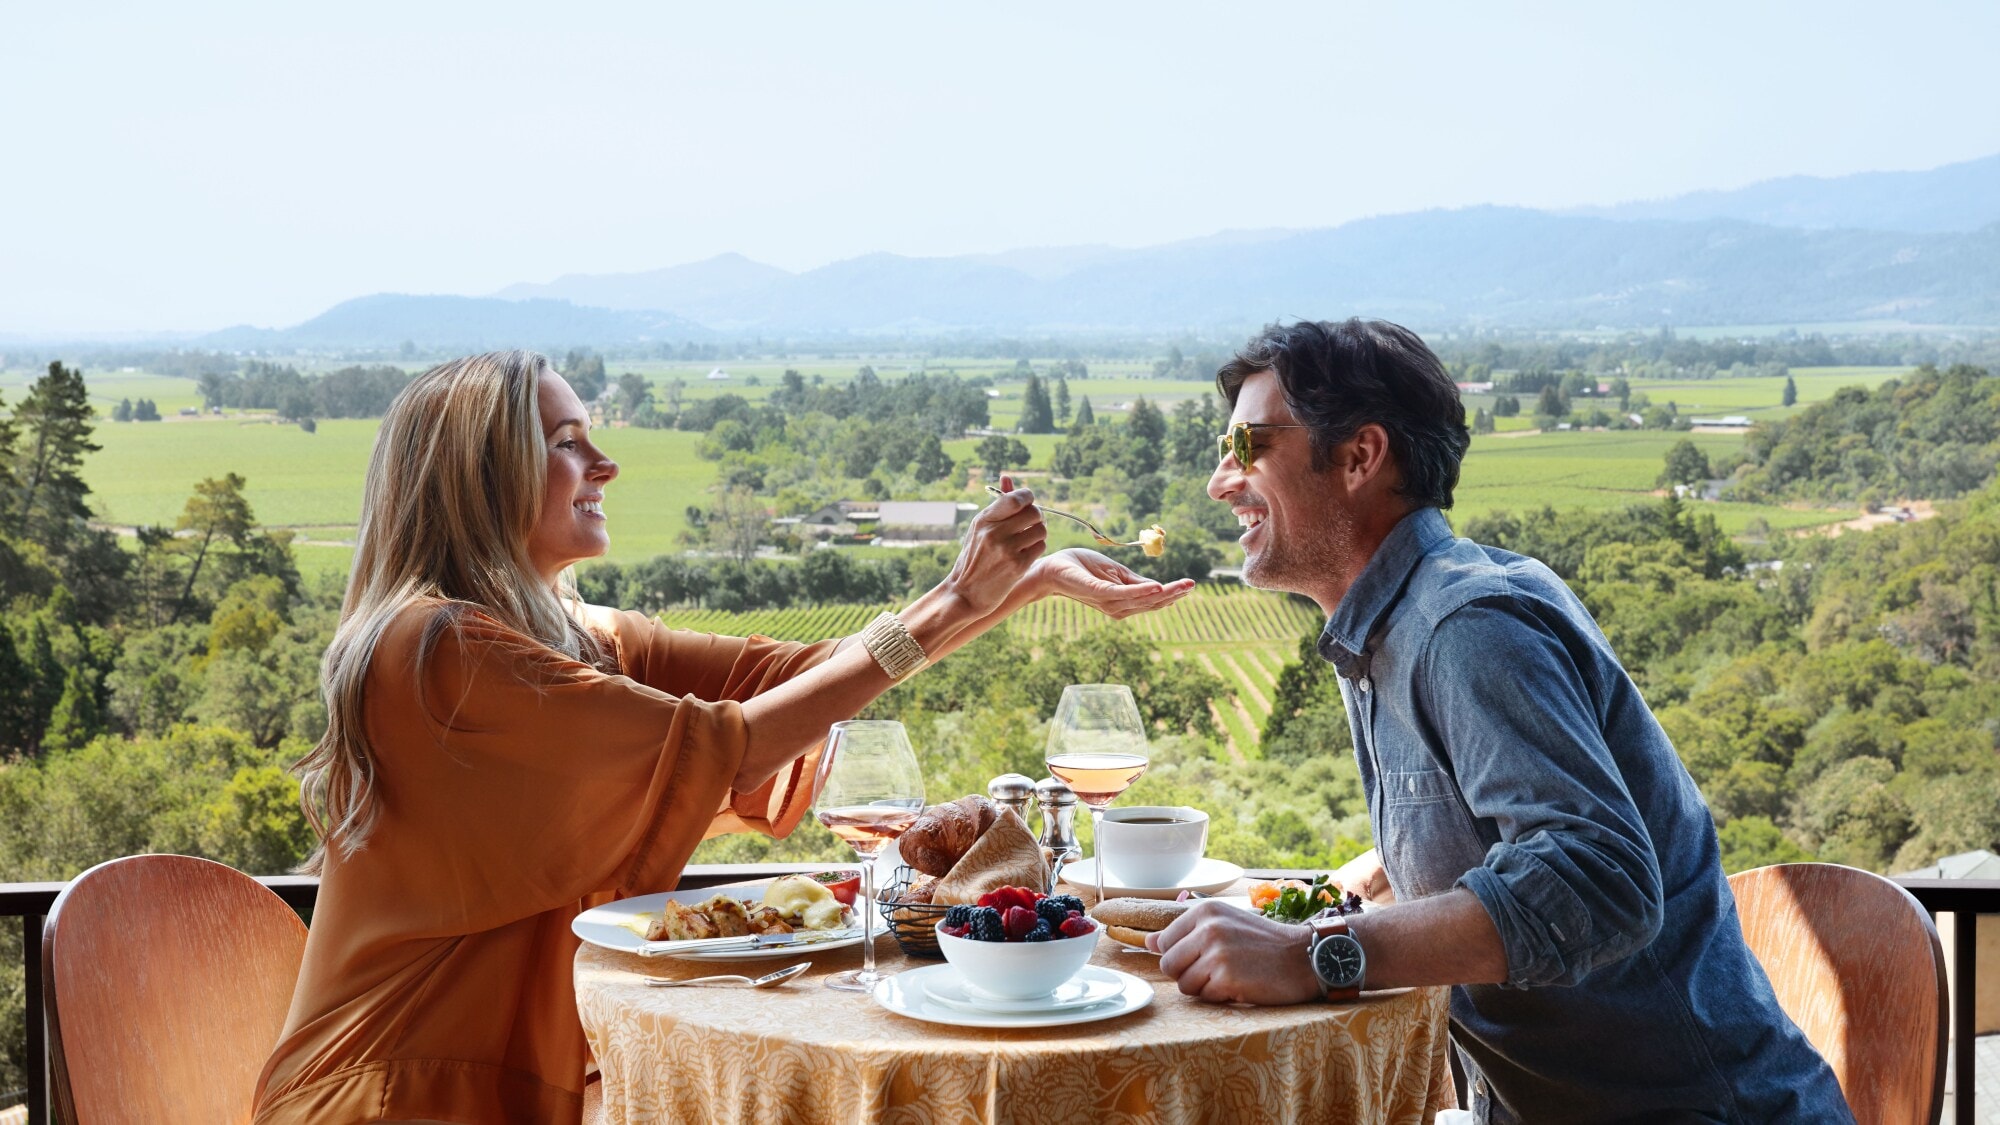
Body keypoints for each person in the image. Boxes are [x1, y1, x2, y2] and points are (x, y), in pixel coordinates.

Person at [252, 351, 1192, 1124]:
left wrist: (1018, 585)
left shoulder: (579, 639)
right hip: (397, 1098)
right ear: (478, 472)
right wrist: (956, 597)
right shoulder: (432, 651)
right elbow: (729, 745)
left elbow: (804, 680)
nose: (606, 465)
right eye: (569, 444)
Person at [1151, 320, 1851, 1123]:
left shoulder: (1464, 626)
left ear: (1358, 456)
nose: (1220, 481)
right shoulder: (1398, 618)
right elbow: (1502, 812)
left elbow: (1601, 879)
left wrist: (1318, 955)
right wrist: (1378, 872)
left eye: (1247, 445)